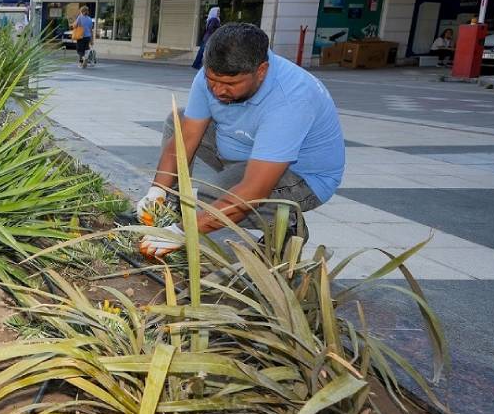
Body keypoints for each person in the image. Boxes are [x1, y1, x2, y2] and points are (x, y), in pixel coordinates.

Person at [135, 23, 345, 258]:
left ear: (262, 70)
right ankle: (167, 209)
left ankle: (286, 223)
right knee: (179, 121)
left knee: (207, 201)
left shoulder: (290, 99)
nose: (217, 91)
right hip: (250, 150)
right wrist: (157, 191)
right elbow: (187, 137)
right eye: (211, 80)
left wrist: (185, 232)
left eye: (230, 85)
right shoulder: (214, 74)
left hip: (298, 177)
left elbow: (254, 189)